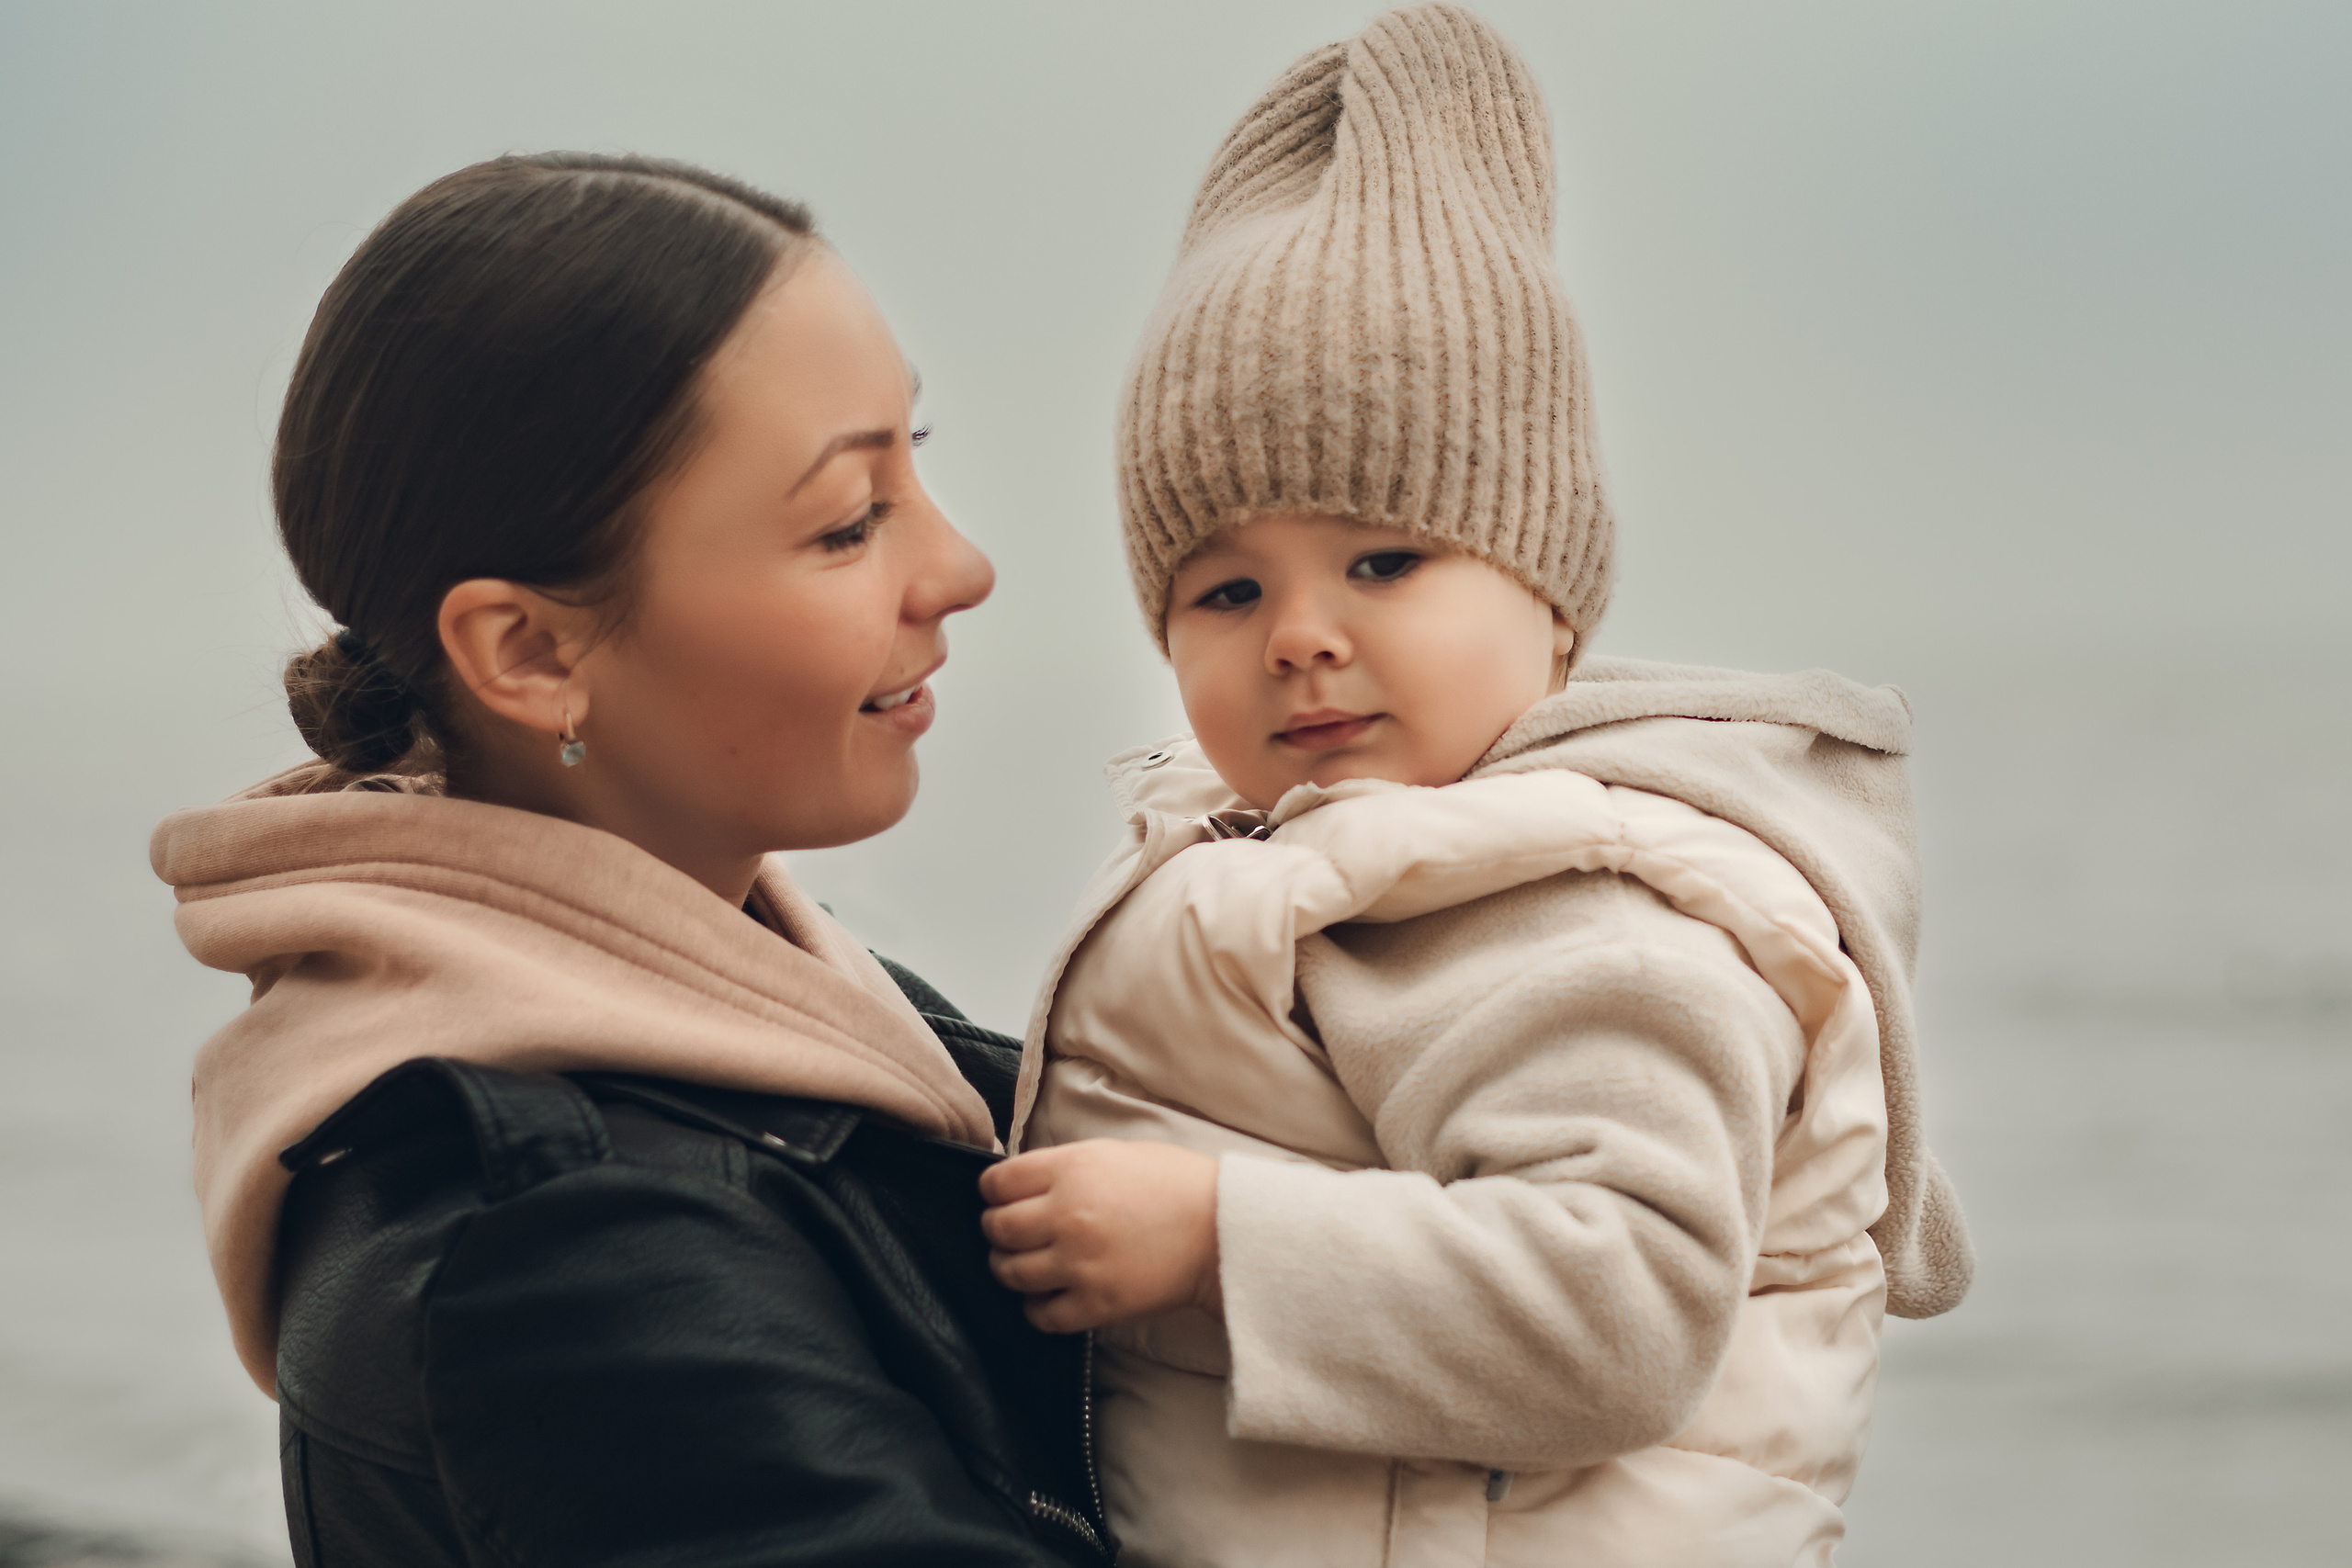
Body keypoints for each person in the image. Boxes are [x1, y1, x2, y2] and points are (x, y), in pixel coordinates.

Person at [977, 6, 1973, 1564]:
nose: (1302, 638)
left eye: (1384, 560)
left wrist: (1212, 1242)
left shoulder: (1587, 906)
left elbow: (1618, 1309)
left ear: (1554, 601)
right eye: (1223, 594)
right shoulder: (1338, 857)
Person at [151, 153, 1113, 1567]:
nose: (960, 566)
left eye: (917, 462)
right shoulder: (565, 1256)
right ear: (531, 653)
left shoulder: (786, 1002)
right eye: (848, 522)